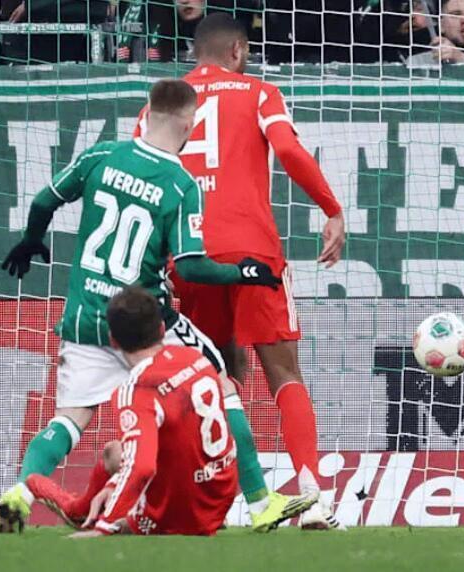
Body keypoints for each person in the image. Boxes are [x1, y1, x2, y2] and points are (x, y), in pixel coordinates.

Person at [0, 79, 315, 534]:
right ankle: (261, 503)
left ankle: (20, 493)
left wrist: (31, 239)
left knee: (70, 419)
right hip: (148, 324)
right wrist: (242, 272)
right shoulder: (181, 184)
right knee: (222, 385)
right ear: (189, 124)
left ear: (146, 113)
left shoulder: (100, 155)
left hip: (86, 316)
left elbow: (44, 200)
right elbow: (192, 265)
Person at [134, 13, 346, 529]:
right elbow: (288, 149)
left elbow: (140, 175)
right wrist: (331, 208)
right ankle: (313, 496)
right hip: (253, 254)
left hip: (190, 257)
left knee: (213, 378)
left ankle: (226, 496)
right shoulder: (258, 92)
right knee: (284, 373)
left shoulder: (161, 105)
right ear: (237, 50)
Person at [31, 287, 239, 536]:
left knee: (120, 458)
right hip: (222, 497)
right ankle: (91, 505)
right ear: (162, 329)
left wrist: (105, 526)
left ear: (113, 341)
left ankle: (73, 507)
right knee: (115, 452)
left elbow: (142, 467)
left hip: (176, 514)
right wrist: (113, 485)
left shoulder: (137, 389)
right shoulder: (196, 358)